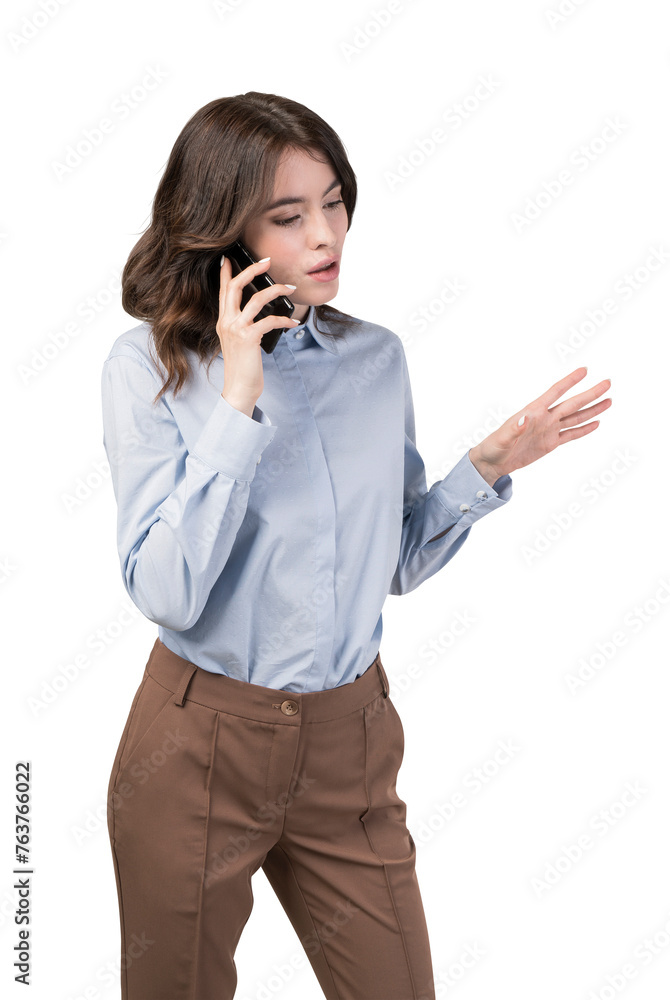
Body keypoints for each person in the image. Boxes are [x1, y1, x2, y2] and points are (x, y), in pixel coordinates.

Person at [101, 92, 612, 1000]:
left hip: (350, 746)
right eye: (289, 216)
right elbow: (168, 592)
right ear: (224, 229)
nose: (326, 233)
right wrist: (238, 399)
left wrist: (485, 464)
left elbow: (392, 565)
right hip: (196, 748)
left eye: (334, 202)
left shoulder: (376, 360)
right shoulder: (151, 368)